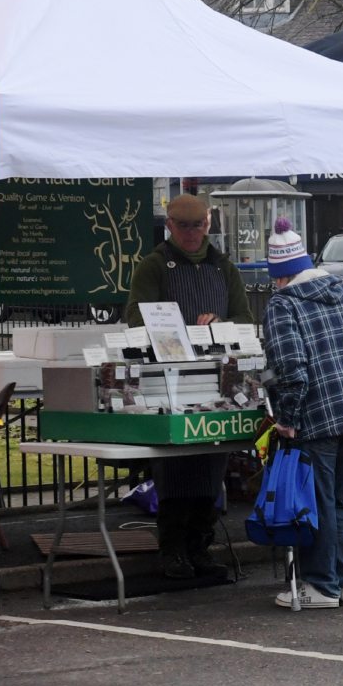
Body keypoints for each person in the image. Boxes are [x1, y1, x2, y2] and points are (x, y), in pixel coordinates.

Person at [262, 218, 343, 609]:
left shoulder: (283, 305)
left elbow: (292, 369)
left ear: (281, 275)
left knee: (318, 502)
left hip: (319, 416)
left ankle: (321, 585)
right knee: (337, 502)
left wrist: (285, 419)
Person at [125, 193, 252, 580]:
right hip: (170, 384)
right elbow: (135, 319)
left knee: (211, 467)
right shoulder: (153, 267)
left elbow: (243, 319)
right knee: (176, 470)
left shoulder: (223, 267)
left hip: (216, 384)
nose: (193, 233)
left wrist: (218, 326)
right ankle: (172, 551)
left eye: (199, 226)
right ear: (170, 227)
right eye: (185, 226)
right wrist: (173, 328)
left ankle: (200, 548)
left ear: (209, 225)